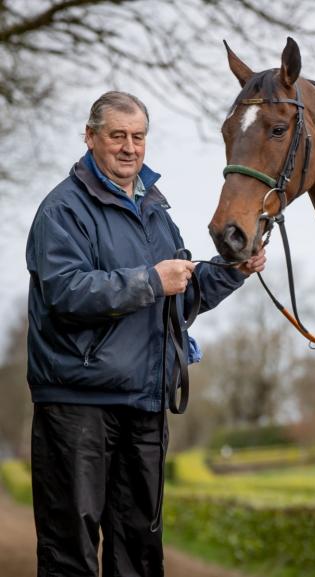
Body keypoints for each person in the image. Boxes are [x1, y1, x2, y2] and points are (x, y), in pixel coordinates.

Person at [25, 91, 265, 577]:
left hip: (146, 402)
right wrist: (150, 280)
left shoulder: (155, 209)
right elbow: (65, 293)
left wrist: (233, 270)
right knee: (69, 550)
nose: (129, 147)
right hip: (78, 403)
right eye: (117, 136)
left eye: (138, 137)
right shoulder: (62, 210)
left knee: (138, 551)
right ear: (91, 138)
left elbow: (181, 300)